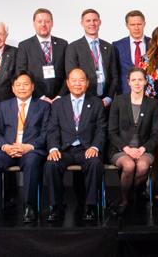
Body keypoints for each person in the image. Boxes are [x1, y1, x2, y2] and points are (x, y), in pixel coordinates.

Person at [0, 71, 49, 224]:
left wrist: (29, 146)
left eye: (25, 84)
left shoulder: (43, 106)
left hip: (31, 150)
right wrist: (5, 146)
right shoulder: (4, 105)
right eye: (18, 85)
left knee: (31, 163)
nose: (22, 88)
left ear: (32, 86)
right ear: (13, 88)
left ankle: (29, 206)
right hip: (8, 149)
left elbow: (45, 133)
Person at [44, 69, 107, 222]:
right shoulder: (58, 104)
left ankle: (90, 206)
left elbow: (101, 129)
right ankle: (56, 206)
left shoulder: (96, 103)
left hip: (87, 149)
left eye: (81, 80)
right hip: (64, 150)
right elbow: (52, 129)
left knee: (95, 163)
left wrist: (95, 147)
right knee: (51, 164)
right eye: (73, 80)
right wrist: (53, 149)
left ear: (87, 83)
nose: (77, 84)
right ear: (67, 83)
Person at [108, 67, 158, 212]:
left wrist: (142, 149)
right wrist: (127, 149)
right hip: (120, 148)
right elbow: (112, 133)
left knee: (143, 167)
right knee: (129, 166)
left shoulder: (152, 104)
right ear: (128, 82)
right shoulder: (118, 101)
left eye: (140, 80)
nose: (137, 83)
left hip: (144, 149)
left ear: (145, 82)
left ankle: (124, 197)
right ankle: (125, 200)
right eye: (133, 80)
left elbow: (155, 135)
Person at [63, 9, 118, 106]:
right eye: (88, 21)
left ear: (99, 22)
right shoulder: (73, 47)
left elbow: (114, 76)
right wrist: (90, 100)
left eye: (95, 20)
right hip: (84, 101)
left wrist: (108, 98)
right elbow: (73, 76)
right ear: (82, 24)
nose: (92, 23)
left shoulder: (109, 47)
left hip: (106, 102)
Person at [15, 8, 69, 105]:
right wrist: (41, 97)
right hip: (36, 99)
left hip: (60, 100)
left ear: (52, 23)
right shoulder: (25, 46)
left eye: (47, 21)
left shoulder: (63, 44)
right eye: (39, 21)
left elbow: (69, 73)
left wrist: (60, 96)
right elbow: (22, 73)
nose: (43, 25)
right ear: (34, 24)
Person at [113, 10, 149, 95]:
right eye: (132, 25)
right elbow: (113, 72)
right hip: (124, 93)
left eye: (139, 24)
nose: (136, 28)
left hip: (149, 93)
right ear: (127, 26)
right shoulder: (117, 46)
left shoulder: (153, 44)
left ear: (144, 24)